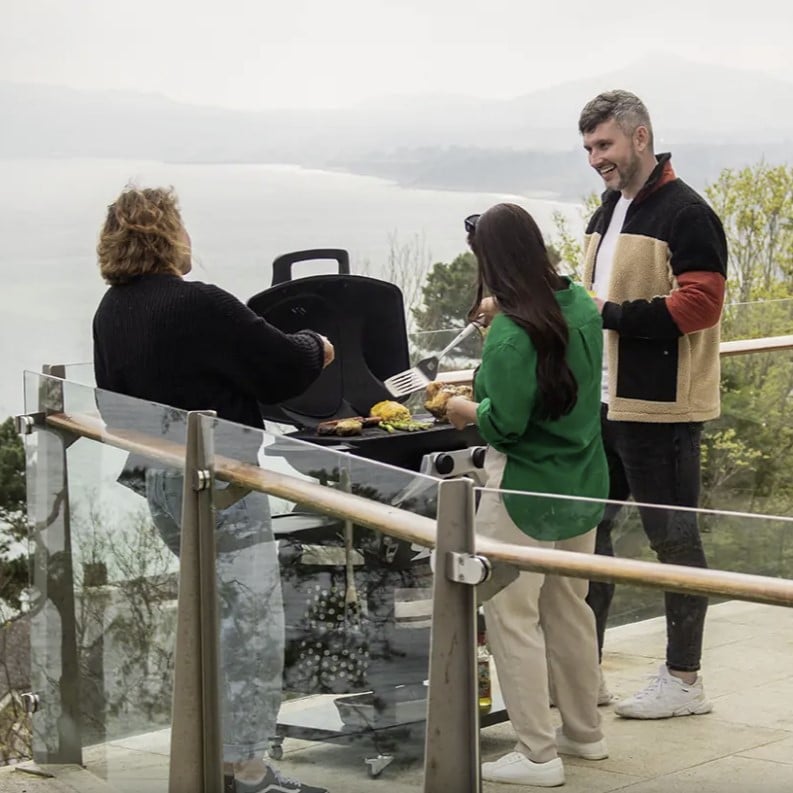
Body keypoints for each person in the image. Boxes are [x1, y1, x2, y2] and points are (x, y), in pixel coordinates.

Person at [92, 185, 334, 793]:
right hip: (220, 485)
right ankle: (245, 771)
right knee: (251, 627)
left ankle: (213, 759)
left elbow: (115, 409)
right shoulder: (198, 303)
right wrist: (320, 346)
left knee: (213, 620)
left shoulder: (110, 311)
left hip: (160, 485)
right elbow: (282, 365)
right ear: (169, 235)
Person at [445, 203, 608, 787]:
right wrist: (502, 314)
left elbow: (504, 424)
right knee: (569, 606)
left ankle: (538, 754)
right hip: (583, 481)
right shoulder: (581, 305)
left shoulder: (512, 337)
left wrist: (463, 407)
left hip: (524, 491)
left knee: (511, 616)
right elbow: (553, 342)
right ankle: (585, 733)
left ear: (491, 261)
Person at [577, 90, 728, 719]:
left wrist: (607, 313)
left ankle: (684, 680)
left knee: (675, 541)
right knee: (590, 534)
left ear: (640, 137)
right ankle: (584, 672)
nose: (595, 158)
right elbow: (588, 297)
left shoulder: (687, 213)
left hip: (663, 410)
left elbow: (702, 305)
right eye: (589, 148)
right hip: (604, 404)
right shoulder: (607, 209)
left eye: (604, 144)